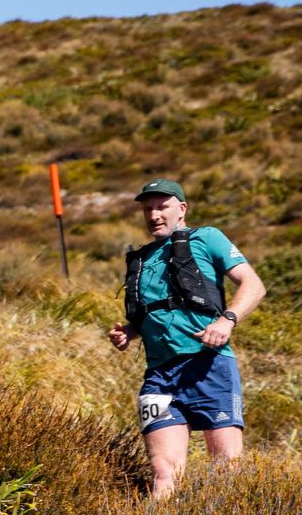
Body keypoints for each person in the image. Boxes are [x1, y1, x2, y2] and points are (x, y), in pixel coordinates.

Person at [107, 179, 266, 498]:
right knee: (163, 471)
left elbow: (254, 285)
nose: (153, 215)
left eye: (161, 206)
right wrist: (130, 332)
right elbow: (156, 312)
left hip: (209, 366)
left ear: (181, 209)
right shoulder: (142, 258)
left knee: (227, 470)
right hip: (159, 377)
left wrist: (227, 319)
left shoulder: (207, 238)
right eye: (147, 208)